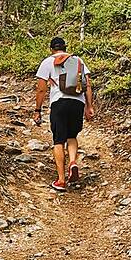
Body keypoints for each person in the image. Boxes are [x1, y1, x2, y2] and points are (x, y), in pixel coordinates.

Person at [33, 36, 94, 193]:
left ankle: (61, 180)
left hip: (59, 102)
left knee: (58, 140)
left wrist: (37, 110)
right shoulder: (78, 60)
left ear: (52, 49)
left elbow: (41, 89)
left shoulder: (47, 62)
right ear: (65, 47)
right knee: (72, 136)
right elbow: (88, 84)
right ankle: (72, 162)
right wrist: (89, 106)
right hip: (78, 102)